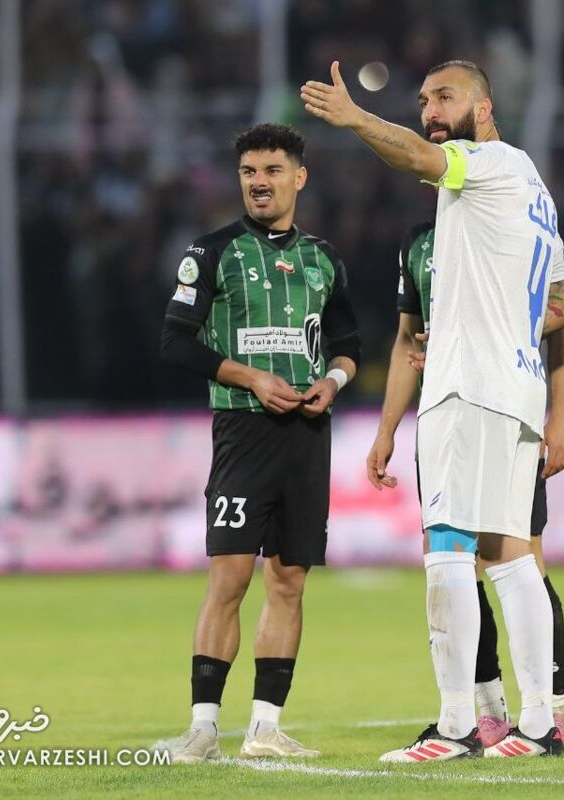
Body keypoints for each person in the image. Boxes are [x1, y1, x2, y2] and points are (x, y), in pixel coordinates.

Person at [302, 60, 564, 760]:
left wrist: (356, 119)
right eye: (423, 99)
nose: (429, 110)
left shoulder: (486, 164)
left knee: (449, 549)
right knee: (510, 554)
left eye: (445, 97)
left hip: (471, 387)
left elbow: (417, 158)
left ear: (483, 108)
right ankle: (539, 724)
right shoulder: (531, 185)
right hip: (514, 385)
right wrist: (486, 321)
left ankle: (457, 726)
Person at [159, 123, 361, 763]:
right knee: (229, 579)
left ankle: (266, 729)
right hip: (243, 432)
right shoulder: (211, 252)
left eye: (272, 170)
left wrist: (332, 382)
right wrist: (251, 378)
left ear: (299, 177)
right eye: (249, 172)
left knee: (290, 580)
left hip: (307, 433)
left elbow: (348, 345)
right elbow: (175, 342)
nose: (259, 182)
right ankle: (202, 729)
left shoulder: (324, 259)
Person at [366, 218, 564, 747]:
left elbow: (563, 319)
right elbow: (406, 339)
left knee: (517, 553)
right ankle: (489, 709)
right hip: (444, 411)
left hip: (502, 406)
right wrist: (387, 428)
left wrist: (560, 416)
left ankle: (554, 707)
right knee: (457, 556)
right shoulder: (418, 241)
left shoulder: (507, 217)